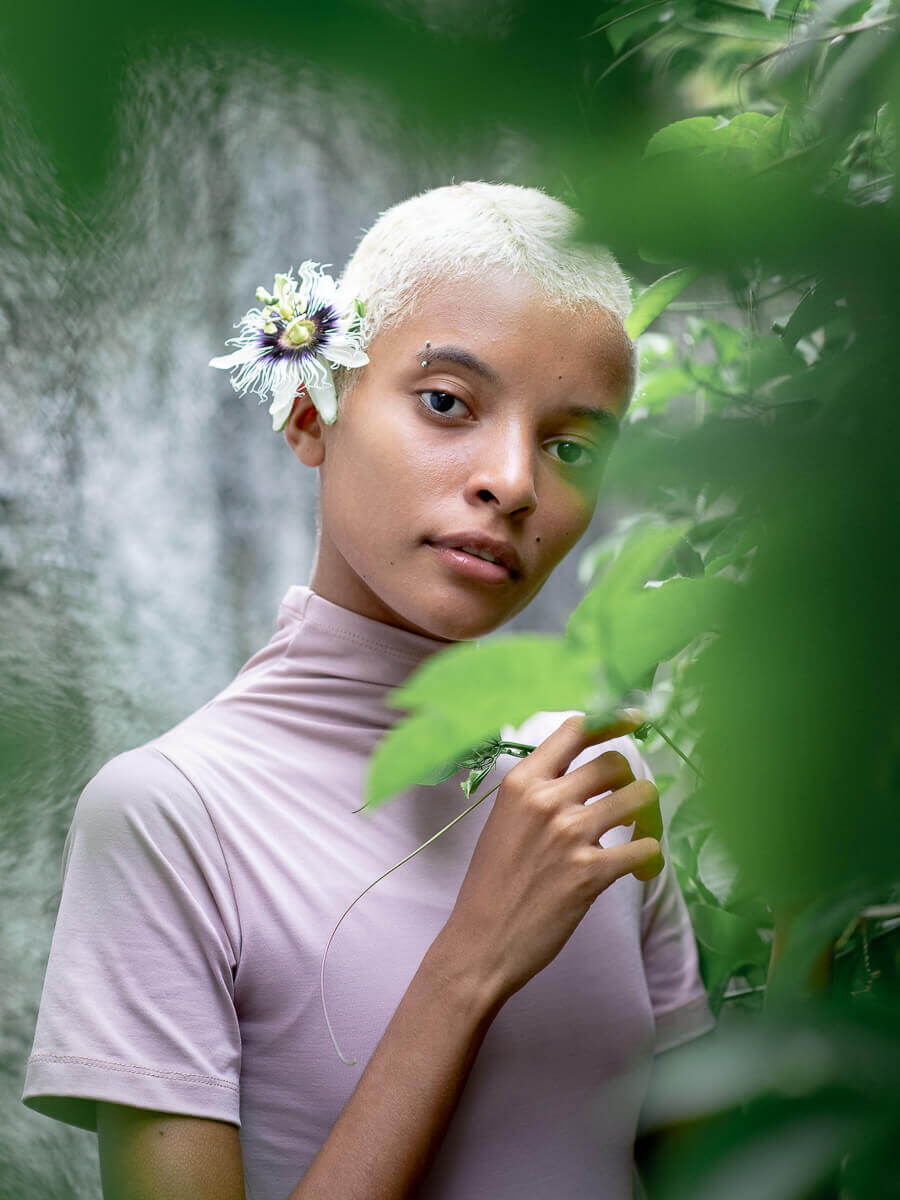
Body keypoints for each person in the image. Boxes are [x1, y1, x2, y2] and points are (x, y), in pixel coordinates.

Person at [21, 181, 715, 1199]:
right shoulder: (169, 817)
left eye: (572, 445)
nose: (514, 481)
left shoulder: (594, 784)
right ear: (310, 410)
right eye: (448, 402)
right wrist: (471, 962)